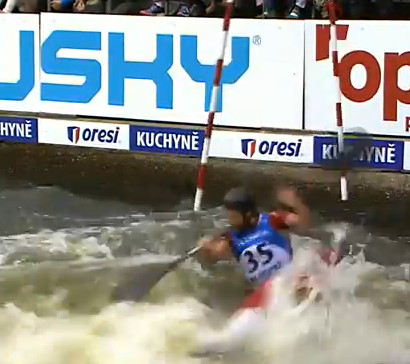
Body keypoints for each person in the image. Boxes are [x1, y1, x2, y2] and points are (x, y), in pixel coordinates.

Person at [194, 186, 339, 354]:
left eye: (233, 215)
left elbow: (303, 224)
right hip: (263, 291)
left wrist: (297, 204)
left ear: (248, 214)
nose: (229, 219)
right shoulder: (231, 238)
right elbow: (211, 258)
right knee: (230, 334)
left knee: (313, 261)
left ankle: (319, 319)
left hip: (289, 276)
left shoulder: (272, 220)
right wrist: (205, 248)